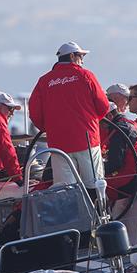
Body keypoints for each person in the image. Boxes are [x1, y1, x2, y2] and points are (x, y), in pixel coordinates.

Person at [28, 41, 109, 189]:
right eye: (80, 56)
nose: (82, 60)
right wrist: (90, 122)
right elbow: (103, 106)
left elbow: (34, 113)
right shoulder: (86, 76)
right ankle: (97, 211)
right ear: (72, 56)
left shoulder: (44, 81)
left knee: (65, 188)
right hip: (87, 140)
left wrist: (49, 128)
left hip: (58, 144)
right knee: (95, 184)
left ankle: (72, 212)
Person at [101, 103, 137, 202]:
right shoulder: (130, 123)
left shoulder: (119, 129)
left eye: (100, 121)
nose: (100, 125)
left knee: (93, 186)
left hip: (136, 180)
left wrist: (94, 170)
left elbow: (115, 163)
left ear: (109, 116)